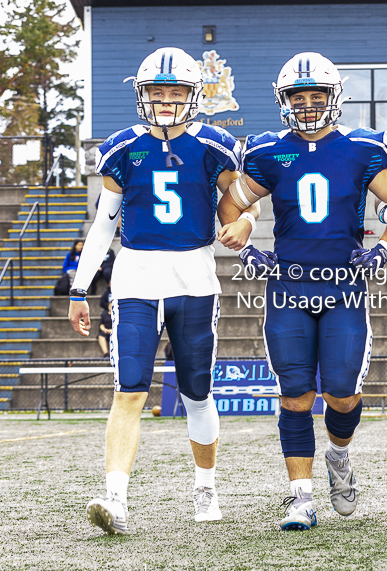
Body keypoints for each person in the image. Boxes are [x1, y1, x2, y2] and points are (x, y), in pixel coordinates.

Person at [216, 52, 387, 532]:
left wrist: (384, 250)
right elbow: (230, 206)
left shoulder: (360, 148)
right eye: (298, 97)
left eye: (316, 96)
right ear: (284, 101)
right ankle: (300, 498)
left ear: (334, 97)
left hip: (344, 287)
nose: (307, 105)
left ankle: (339, 454)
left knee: (343, 393)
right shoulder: (269, 151)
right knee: (295, 395)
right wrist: (245, 245)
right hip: (288, 286)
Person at [68, 47, 258, 535]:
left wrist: (251, 222)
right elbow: (103, 225)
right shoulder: (122, 146)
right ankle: (115, 497)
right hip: (135, 280)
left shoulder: (216, 145)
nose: (166, 100)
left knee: (197, 393)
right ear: (142, 95)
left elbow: (242, 201)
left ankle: (205, 486)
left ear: (194, 95)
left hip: (195, 280)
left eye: (176, 91)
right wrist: (79, 288)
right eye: (158, 91)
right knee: (128, 391)